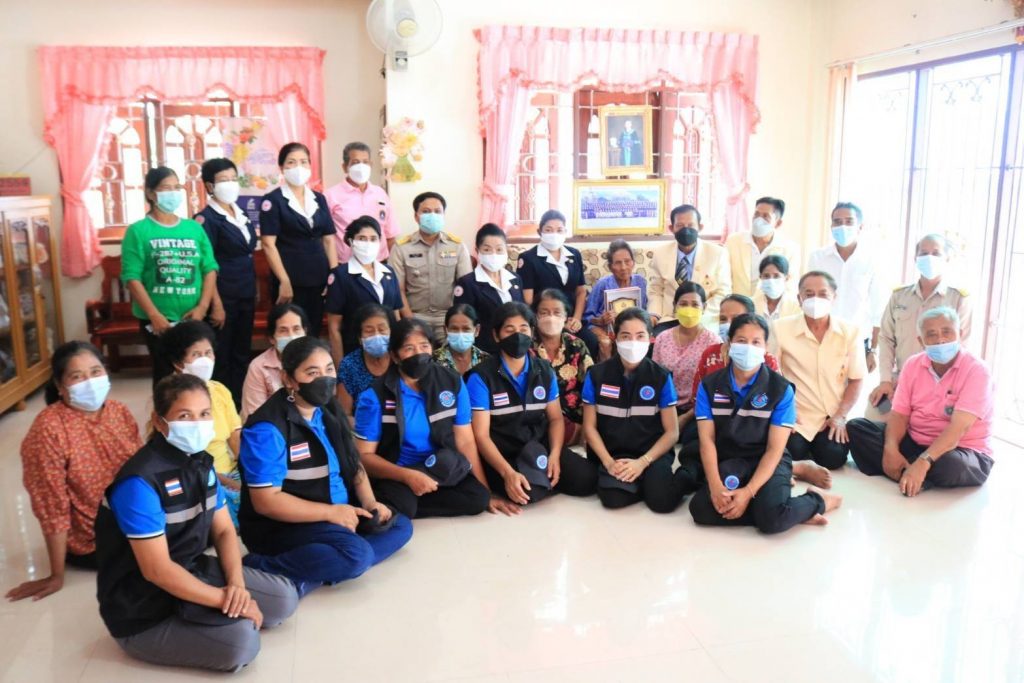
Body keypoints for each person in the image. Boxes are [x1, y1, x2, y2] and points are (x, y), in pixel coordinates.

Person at [94, 374, 298, 672]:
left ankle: (208, 612)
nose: (198, 423)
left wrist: (237, 586)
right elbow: (156, 570)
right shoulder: (139, 481)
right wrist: (225, 600)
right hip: (143, 607)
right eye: (185, 416)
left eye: (204, 414)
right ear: (160, 422)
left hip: (190, 569)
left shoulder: (200, 462)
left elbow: (224, 530)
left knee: (283, 599)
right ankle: (183, 626)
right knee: (243, 644)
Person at [237, 337, 412, 596]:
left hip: (336, 513)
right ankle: (262, 567)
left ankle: (317, 571)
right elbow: (266, 502)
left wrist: (370, 503)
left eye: (329, 369)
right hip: (284, 526)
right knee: (357, 555)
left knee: (401, 525)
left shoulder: (327, 409)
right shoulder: (267, 428)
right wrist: (331, 513)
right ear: (288, 379)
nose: (325, 379)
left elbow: (353, 463)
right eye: (312, 372)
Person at [6, 342, 141, 602]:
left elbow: (142, 468)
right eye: (77, 376)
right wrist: (56, 575)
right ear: (60, 386)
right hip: (95, 540)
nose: (90, 382)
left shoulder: (118, 411)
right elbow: (51, 505)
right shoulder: (48, 429)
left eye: (96, 372)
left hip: (135, 517)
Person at [689, 313, 842, 533]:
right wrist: (715, 486)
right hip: (730, 458)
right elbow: (707, 441)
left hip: (769, 459)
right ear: (729, 344)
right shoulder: (709, 386)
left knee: (771, 521)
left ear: (765, 348)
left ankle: (817, 501)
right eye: (741, 341)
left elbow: (774, 449)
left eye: (756, 342)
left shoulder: (780, 389)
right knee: (701, 509)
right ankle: (785, 510)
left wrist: (748, 492)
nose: (748, 348)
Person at [353, 319, 492, 518]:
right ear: (395, 356)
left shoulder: (451, 382)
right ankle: (402, 500)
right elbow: (364, 457)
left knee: (478, 498)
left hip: (441, 465)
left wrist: (485, 488)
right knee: (405, 506)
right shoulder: (375, 396)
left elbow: (465, 440)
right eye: (409, 348)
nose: (418, 354)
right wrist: (407, 476)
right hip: (398, 470)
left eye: (424, 346)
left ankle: (409, 500)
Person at [467, 302, 598, 512]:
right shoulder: (481, 377)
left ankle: (541, 474)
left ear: (532, 332)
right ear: (496, 335)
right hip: (504, 451)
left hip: (539, 444)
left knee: (587, 480)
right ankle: (531, 478)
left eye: (523, 329)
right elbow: (481, 436)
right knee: (527, 494)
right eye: (509, 330)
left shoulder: (544, 370)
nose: (517, 336)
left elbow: (555, 419)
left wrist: (555, 455)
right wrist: (507, 473)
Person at [847, 307, 994, 496]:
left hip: (961, 449)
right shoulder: (913, 364)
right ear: (921, 341)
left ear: (960, 333)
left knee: (951, 466)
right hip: (917, 441)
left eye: (947, 332)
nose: (940, 340)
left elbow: (959, 428)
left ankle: (908, 470)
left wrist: (924, 461)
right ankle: (910, 471)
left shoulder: (977, 371)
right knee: (856, 428)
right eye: (931, 334)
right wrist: (891, 448)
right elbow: (899, 415)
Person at [121, 166, 219, 387]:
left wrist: (202, 308)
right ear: (150, 193)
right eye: (166, 188)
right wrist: (154, 315)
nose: (173, 193)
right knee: (166, 377)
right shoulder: (138, 231)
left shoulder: (193, 228)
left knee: (198, 373)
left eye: (177, 187)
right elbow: (132, 278)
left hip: (194, 317)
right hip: (158, 321)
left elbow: (209, 269)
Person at [583, 308, 688, 511]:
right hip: (613, 454)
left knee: (662, 502)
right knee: (613, 499)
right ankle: (640, 482)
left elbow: (672, 432)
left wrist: (642, 462)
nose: (633, 342)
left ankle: (687, 474)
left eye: (640, 336)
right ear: (615, 338)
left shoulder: (661, 377)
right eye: (625, 336)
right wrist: (608, 462)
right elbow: (589, 427)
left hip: (651, 453)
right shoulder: (596, 375)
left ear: (650, 339)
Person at [770, 271, 866, 484]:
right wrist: (783, 412)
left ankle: (807, 459)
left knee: (833, 457)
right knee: (793, 450)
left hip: (830, 415)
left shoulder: (850, 332)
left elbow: (857, 379)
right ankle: (801, 466)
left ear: (834, 298)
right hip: (797, 415)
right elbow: (772, 375)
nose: (816, 299)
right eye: (809, 294)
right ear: (799, 298)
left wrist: (840, 416)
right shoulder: (780, 328)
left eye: (823, 294)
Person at [869, 234, 972, 421]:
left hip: (939, 385)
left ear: (947, 259)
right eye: (924, 253)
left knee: (922, 427)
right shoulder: (899, 296)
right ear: (916, 259)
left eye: (936, 253)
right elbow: (886, 338)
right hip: (899, 381)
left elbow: (963, 346)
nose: (929, 258)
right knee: (873, 419)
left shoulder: (958, 298)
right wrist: (885, 380)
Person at [162, 320, 243, 525]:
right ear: (179, 363)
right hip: (195, 477)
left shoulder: (220, 390)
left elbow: (236, 437)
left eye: (208, 353)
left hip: (230, 471)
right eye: (196, 355)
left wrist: (251, 470)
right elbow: (181, 459)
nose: (205, 360)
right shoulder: (170, 397)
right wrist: (229, 483)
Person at [259, 142, 338, 337]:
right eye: (291, 162)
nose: (298, 167)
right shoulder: (273, 200)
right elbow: (268, 244)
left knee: (313, 331)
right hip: (290, 278)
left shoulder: (319, 199)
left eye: (303, 162)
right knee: (290, 334)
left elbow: (329, 240)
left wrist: (334, 276)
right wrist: (284, 280)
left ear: (310, 166)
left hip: (318, 277)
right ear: (282, 168)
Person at [195, 157, 257, 402]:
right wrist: (216, 304)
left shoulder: (240, 213)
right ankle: (220, 403)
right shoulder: (205, 219)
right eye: (223, 180)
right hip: (223, 294)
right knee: (222, 353)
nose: (230, 184)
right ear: (210, 186)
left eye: (233, 178)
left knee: (242, 352)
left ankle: (239, 402)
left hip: (246, 292)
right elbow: (206, 266)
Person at [807, 202, 886, 372]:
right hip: (822, 339)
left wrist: (873, 350)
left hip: (857, 343)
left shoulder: (872, 260)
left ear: (860, 227)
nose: (843, 226)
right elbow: (809, 299)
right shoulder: (818, 257)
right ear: (831, 226)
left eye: (849, 221)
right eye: (837, 222)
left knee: (854, 388)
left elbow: (878, 310)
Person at [390, 191, 473, 340]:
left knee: (453, 353)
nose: (432, 215)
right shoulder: (401, 248)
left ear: (443, 215)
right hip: (415, 316)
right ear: (416, 216)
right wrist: (411, 322)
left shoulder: (457, 246)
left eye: (437, 211)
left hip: (449, 318)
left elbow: (466, 287)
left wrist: (457, 320)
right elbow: (397, 290)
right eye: (426, 211)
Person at [516, 210, 599, 358]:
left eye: (559, 230)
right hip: (544, 319)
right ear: (540, 232)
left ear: (565, 232)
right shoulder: (528, 258)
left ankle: (581, 374)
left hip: (571, 319)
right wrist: (555, 321)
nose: (554, 234)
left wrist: (576, 319)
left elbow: (580, 291)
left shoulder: (574, 254)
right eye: (548, 230)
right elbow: (527, 301)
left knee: (591, 341)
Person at [325, 215, 403, 364]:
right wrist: (340, 365)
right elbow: (334, 327)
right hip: (355, 351)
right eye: (362, 238)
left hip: (388, 352)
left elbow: (396, 315)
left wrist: (398, 352)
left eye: (373, 239)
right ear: (351, 241)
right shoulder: (340, 275)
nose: (368, 243)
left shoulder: (389, 272)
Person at [652, 283, 720, 444]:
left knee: (694, 438)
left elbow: (712, 389)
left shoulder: (713, 342)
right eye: (683, 304)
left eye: (695, 304)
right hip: (665, 406)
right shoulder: (662, 338)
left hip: (696, 410)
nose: (689, 309)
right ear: (675, 306)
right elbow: (655, 379)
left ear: (704, 307)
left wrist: (685, 417)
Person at [648, 204, 731, 328]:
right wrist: (654, 315)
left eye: (691, 225)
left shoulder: (718, 253)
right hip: (669, 319)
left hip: (703, 320)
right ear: (671, 228)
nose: (686, 230)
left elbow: (723, 292)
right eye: (680, 226)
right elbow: (656, 290)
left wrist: (697, 314)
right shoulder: (660, 253)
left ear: (700, 227)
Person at [533, 288, 594, 445]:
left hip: (574, 415)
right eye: (544, 313)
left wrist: (588, 426)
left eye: (557, 313)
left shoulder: (576, 345)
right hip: (541, 416)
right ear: (535, 315)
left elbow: (590, 384)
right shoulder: (527, 348)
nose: (551, 318)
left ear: (566, 316)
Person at [453, 223, 524, 355]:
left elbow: (522, 312)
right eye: (487, 250)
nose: (494, 254)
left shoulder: (515, 279)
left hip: (515, 347)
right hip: (485, 350)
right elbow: (464, 322)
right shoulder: (467, 283)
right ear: (477, 250)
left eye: (499, 249)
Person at [325, 141, 399, 264]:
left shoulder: (380, 193)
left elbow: (390, 235)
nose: (361, 167)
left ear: (371, 165)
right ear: (345, 167)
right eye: (355, 162)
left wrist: (392, 266)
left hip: (380, 263)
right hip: (346, 265)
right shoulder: (330, 195)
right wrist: (334, 268)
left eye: (365, 162)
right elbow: (325, 238)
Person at [241, 303, 309, 420]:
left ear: (305, 332)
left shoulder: (316, 361)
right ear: (272, 338)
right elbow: (254, 415)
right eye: (283, 331)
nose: (291, 336)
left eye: (296, 329)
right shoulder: (258, 367)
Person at [584, 239, 649, 360]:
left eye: (627, 261)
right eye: (618, 263)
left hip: (631, 327)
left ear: (633, 263)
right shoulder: (602, 284)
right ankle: (608, 371)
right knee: (606, 343)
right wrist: (601, 320)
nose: (623, 267)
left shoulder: (640, 282)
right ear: (610, 267)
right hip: (604, 328)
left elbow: (644, 310)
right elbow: (587, 318)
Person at [724, 196, 801, 297]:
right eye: (756, 214)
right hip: (738, 302)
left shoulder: (790, 249)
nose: (758, 220)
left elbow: (790, 286)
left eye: (765, 216)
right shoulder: (734, 241)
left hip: (769, 303)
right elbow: (724, 277)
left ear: (778, 223)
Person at [336, 303, 394, 415]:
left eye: (382, 329)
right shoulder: (349, 365)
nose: (377, 335)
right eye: (369, 331)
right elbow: (345, 414)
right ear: (360, 337)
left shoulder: (400, 360)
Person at [434, 303, 490, 375]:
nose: (460, 334)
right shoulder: (433, 361)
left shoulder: (486, 361)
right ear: (445, 330)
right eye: (454, 329)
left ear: (477, 330)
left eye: (466, 329)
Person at [753, 255, 801, 322]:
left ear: (786, 278)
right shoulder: (752, 304)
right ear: (760, 277)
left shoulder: (797, 306)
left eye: (776, 276)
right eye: (766, 276)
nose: (771, 280)